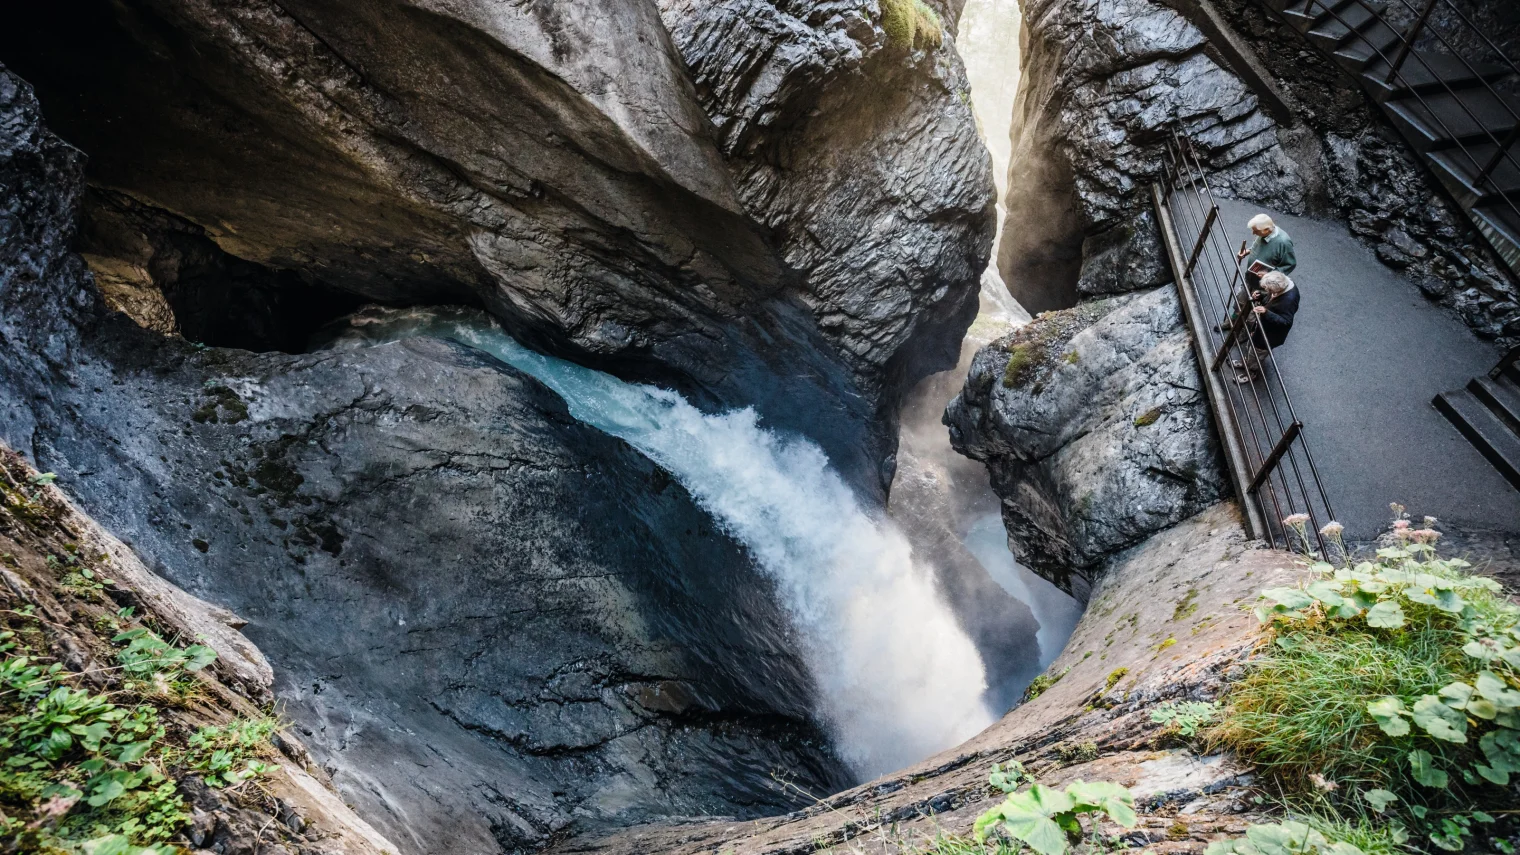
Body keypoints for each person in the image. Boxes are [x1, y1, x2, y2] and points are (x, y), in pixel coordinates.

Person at [1233, 271, 1299, 384]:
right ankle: (1247, 362)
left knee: (1257, 353)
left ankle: (1252, 372)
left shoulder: (1289, 300)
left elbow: (1286, 322)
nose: (1268, 292)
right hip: (1261, 327)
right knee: (1251, 346)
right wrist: (1260, 296)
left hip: (1268, 335)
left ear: (1277, 289)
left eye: (1269, 291)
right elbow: (1270, 298)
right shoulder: (1283, 283)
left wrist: (1266, 312)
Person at [1236, 213, 1297, 288]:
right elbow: (1256, 246)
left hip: (1264, 285)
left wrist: (1269, 275)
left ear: (1266, 230)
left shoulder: (1283, 242)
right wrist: (1247, 251)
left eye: (1256, 231)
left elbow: (1289, 265)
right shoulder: (1263, 233)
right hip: (1250, 277)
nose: (1253, 233)